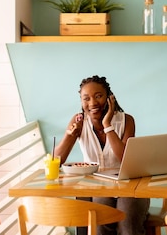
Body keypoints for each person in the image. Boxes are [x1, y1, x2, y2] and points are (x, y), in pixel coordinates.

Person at [54, 75, 150, 235]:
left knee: (127, 225)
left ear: (109, 98)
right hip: (96, 186)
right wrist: (70, 135)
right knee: (101, 220)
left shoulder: (126, 121)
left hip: (128, 185)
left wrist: (107, 125)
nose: (92, 103)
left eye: (98, 96)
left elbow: (125, 158)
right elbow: (56, 160)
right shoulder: (78, 121)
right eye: (86, 99)